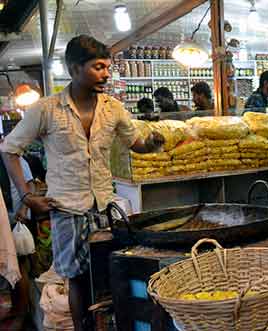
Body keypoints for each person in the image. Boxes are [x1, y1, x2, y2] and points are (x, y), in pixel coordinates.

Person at [0, 35, 165, 331]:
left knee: (108, 273)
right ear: (75, 69)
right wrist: (26, 196)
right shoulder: (47, 109)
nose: (105, 73)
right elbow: (9, 149)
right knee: (75, 278)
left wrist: (152, 144)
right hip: (66, 209)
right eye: (98, 67)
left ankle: (111, 325)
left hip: (104, 208)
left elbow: (135, 143)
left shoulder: (113, 108)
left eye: (107, 67)